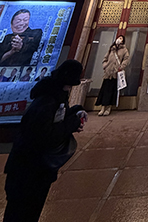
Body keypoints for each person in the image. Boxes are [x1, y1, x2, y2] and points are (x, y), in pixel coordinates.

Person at [3, 59, 87, 222]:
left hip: (36, 170)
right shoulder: (48, 100)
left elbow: (56, 120)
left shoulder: (54, 95)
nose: (70, 89)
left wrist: (75, 112)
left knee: (29, 211)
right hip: (29, 170)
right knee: (21, 213)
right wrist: (72, 124)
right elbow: (45, 134)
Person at [96, 35, 130, 116]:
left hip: (115, 73)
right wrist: (105, 65)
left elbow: (126, 59)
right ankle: (102, 108)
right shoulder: (111, 49)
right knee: (104, 90)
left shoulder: (124, 50)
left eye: (121, 38)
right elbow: (105, 58)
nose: (119, 39)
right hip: (108, 73)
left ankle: (108, 108)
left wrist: (121, 67)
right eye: (118, 38)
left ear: (123, 41)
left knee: (112, 91)